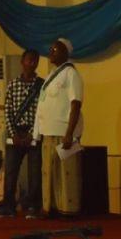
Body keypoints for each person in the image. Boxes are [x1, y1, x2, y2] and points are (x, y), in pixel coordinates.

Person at [33, 38, 84, 217]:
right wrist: (37, 132)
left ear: (65, 53)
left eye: (55, 50)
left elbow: (76, 104)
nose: (51, 52)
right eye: (51, 49)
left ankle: (68, 209)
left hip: (63, 133)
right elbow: (42, 104)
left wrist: (69, 133)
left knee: (66, 173)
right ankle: (50, 207)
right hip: (48, 132)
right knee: (49, 173)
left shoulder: (71, 74)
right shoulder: (50, 76)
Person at [0, 49, 44, 219]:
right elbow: (7, 110)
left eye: (35, 61)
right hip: (15, 132)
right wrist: (13, 133)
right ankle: (8, 206)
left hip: (33, 133)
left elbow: (42, 112)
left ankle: (34, 207)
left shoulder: (41, 86)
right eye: (29, 60)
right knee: (11, 171)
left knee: (35, 172)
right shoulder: (13, 84)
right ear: (22, 62)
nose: (32, 63)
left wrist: (32, 133)